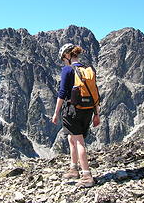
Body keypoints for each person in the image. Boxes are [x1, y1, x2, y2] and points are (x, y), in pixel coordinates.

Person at [52, 43, 100, 188]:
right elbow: (95, 92)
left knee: (78, 141)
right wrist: (96, 114)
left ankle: (86, 175)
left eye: (63, 58)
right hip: (88, 109)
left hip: (72, 110)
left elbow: (61, 93)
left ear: (67, 55)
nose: (63, 61)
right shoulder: (88, 69)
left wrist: (56, 113)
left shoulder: (67, 70)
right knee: (71, 138)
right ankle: (74, 169)